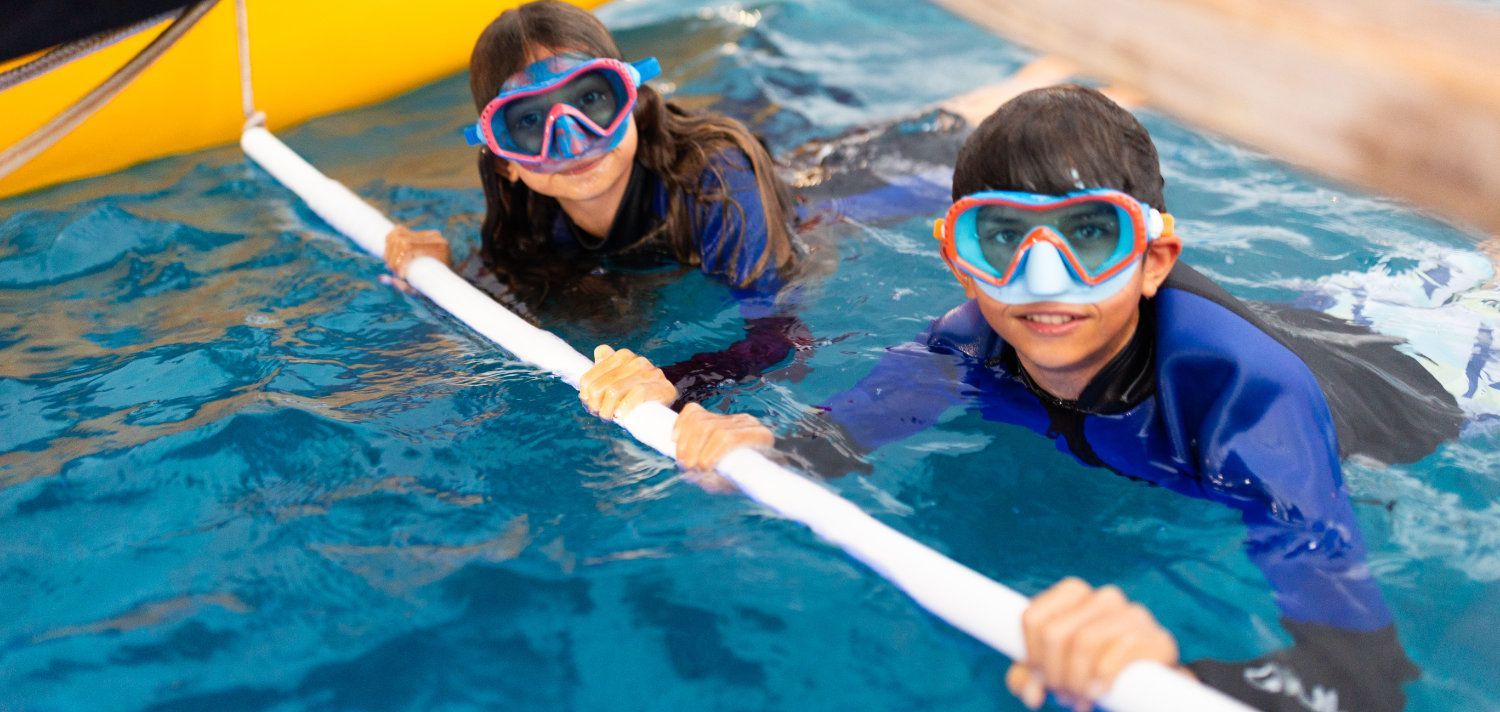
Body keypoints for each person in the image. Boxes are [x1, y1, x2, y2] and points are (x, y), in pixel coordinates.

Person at [577, 84, 1464, 712]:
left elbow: (1362, 677)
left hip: (1441, 370)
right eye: (1003, 239)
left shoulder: (1239, 398)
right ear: (960, 258)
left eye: (1090, 238)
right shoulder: (965, 343)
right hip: (1313, 317)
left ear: (1153, 259)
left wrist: (1177, 677)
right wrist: (721, 444)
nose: (1046, 285)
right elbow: (819, 448)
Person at [383, 0, 808, 402]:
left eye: (590, 99)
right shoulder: (528, 225)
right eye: (530, 121)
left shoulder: (715, 177)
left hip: (820, 194)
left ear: (633, 101)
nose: (572, 141)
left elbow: (782, 333)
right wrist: (441, 277)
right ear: (505, 162)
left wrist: (674, 383)